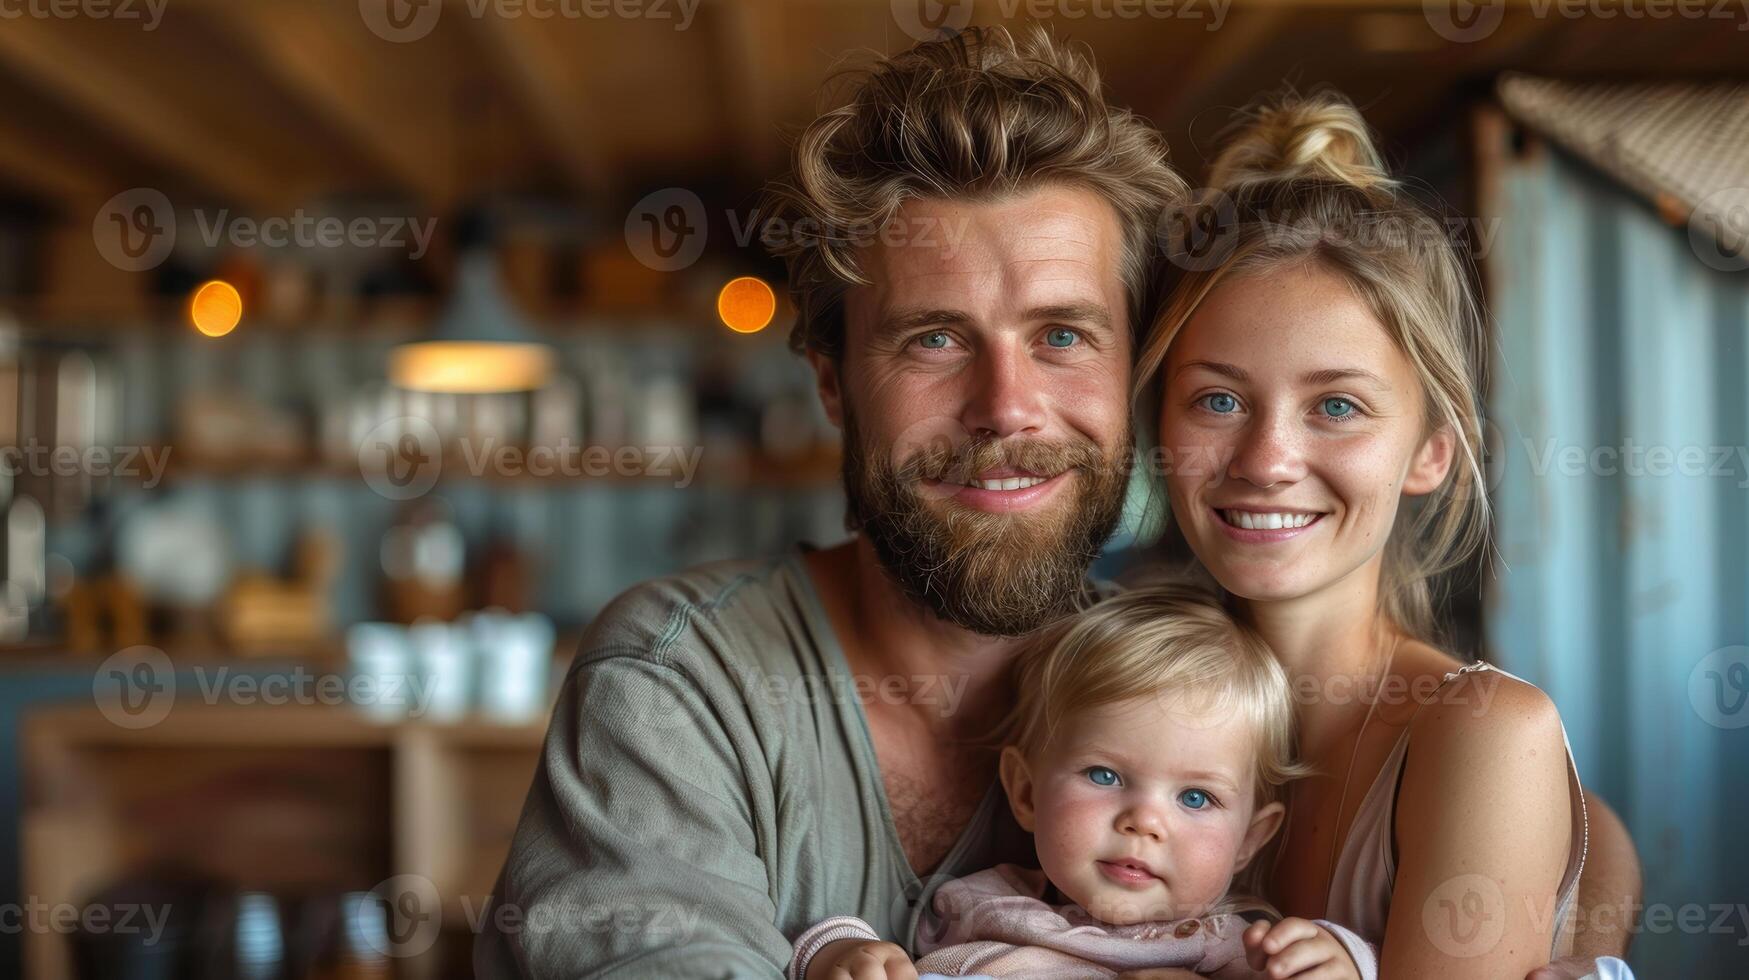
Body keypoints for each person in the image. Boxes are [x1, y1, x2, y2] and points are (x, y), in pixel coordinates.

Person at [475, 27, 1640, 980]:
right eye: (935, 338)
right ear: (832, 378)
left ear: (1130, 379)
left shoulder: (1173, 671)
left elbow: (1535, 813)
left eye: (1063, 335)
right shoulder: (682, 687)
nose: (1007, 406)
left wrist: (1588, 891)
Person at [1136, 92, 1637, 977]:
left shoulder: (1483, 734)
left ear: (1432, 452)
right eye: (1217, 398)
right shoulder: (1112, 698)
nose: (1266, 460)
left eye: (1336, 406)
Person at [788, 583, 1378, 980]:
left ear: (1250, 838)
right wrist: (837, 950)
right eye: (1105, 775)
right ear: (1024, 792)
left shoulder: (1229, 946)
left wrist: (1345, 960)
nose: (1143, 821)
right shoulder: (975, 904)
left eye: (1196, 797)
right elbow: (886, 954)